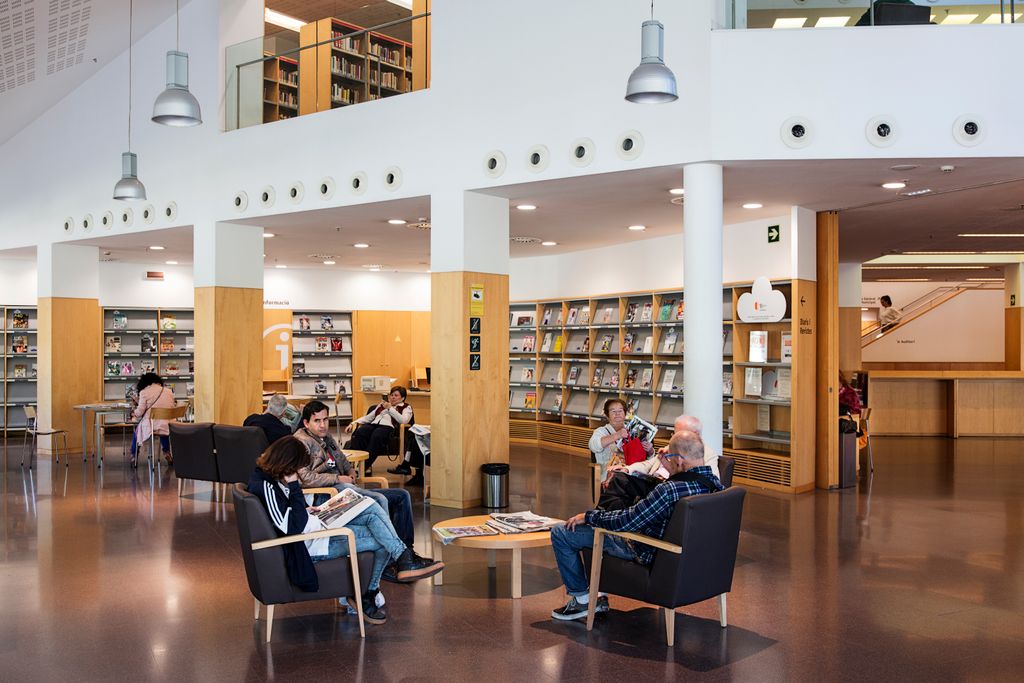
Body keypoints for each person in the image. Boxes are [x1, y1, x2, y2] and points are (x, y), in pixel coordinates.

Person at [246, 437, 441, 625]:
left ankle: (400, 562)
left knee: (372, 511)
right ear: (287, 463)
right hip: (310, 546)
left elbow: (286, 516)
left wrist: (306, 509)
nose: (298, 473)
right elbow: (291, 528)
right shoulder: (265, 485)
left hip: (313, 530)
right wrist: (295, 487)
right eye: (296, 468)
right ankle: (374, 587)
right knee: (381, 540)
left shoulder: (270, 479)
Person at [549, 431, 724, 621]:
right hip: (694, 560)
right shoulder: (716, 487)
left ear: (680, 460)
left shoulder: (669, 490)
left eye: (670, 458)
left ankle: (582, 600)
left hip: (643, 548)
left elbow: (627, 522)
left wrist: (589, 517)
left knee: (562, 532)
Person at [294, 400, 438, 580]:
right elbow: (305, 478)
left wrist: (349, 470)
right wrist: (338, 478)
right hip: (325, 495)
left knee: (401, 495)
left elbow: (341, 457)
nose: (323, 425)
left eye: (325, 420)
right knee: (379, 500)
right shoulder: (300, 443)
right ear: (306, 423)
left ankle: (406, 554)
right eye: (317, 421)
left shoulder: (327, 437)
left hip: (345, 488)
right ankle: (391, 562)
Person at [606, 414, 721, 482]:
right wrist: (628, 469)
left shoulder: (707, 453)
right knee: (620, 478)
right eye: (674, 434)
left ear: (695, 434)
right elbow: (648, 464)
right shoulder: (672, 446)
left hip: (667, 486)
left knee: (621, 483)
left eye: (679, 434)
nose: (675, 438)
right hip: (651, 481)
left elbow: (711, 482)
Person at [346, 386, 413, 472]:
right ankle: (357, 463)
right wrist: (353, 423)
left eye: (396, 395)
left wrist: (390, 408)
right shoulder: (381, 405)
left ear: (403, 398)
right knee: (360, 432)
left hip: (388, 427)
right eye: (392, 395)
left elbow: (404, 420)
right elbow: (368, 417)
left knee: (377, 435)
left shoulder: (406, 407)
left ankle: (363, 467)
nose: (393, 397)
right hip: (374, 425)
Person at [588, 398, 653, 479]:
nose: (617, 414)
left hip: (633, 473)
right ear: (607, 415)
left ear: (625, 413)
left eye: (620, 411)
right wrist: (616, 435)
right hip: (612, 477)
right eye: (613, 411)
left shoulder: (634, 431)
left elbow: (648, 460)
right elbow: (593, 446)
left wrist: (650, 451)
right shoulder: (601, 431)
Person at [129, 372, 175, 468]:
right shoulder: (169, 391)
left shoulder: (144, 392)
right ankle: (167, 452)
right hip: (168, 425)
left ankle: (134, 455)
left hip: (151, 426)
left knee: (137, 432)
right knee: (162, 426)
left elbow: (140, 412)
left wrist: (134, 412)